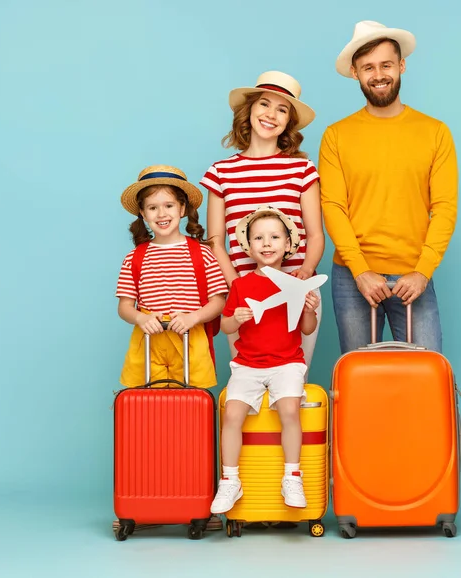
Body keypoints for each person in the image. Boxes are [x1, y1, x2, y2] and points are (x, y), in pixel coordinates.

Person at [319, 21, 458, 353]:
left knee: (427, 379)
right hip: (354, 278)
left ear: (401, 66)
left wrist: (423, 271)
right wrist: (361, 270)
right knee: (358, 384)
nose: (378, 74)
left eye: (386, 65)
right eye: (368, 67)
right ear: (355, 73)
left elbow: (444, 207)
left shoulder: (435, 132)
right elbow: (333, 206)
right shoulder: (336, 135)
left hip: (414, 276)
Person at [201, 70, 325, 369]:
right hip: (242, 289)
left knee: (294, 378)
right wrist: (237, 286)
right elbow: (216, 240)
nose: (271, 114)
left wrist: (306, 272)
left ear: (288, 122)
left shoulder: (302, 169)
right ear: (250, 110)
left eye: (282, 109)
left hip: (295, 289)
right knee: (247, 376)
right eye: (264, 105)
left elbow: (316, 234)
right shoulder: (221, 172)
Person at [209, 206, 320, 515]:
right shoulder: (241, 286)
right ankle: (230, 480)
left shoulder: (297, 284)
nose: (267, 243)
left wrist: (309, 308)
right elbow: (225, 326)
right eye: (259, 238)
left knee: (289, 409)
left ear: (288, 244)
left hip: (287, 362)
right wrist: (237, 317)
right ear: (249, 246)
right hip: (248, 365)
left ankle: (292, 476)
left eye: (274, 237)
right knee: (231, 415)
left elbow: (307, 329)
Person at [116, 164, 228, 389]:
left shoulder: (202, 253)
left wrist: (193, 317)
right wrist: (140, 318)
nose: (161, 214)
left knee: (190, 405)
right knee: (149, 407)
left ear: (182, 209)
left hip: (190, 338)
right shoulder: (134, 257)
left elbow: (219, 302)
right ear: (143, 213)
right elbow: (125, 307)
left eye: (169, 205)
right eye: (152, 207)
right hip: (149, 342)